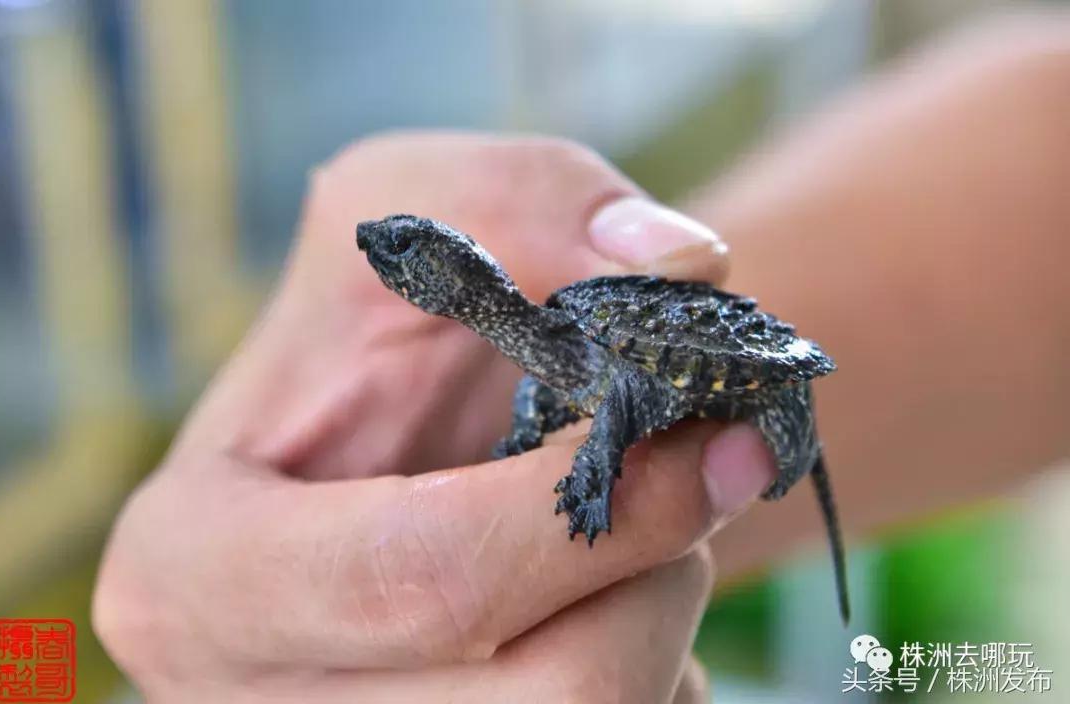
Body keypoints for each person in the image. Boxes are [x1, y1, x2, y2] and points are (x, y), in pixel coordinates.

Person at [93, 14, 1070, 703]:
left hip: (732, 356)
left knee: (769, 435)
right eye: (398, 256)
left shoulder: (564, 335)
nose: (386, 257)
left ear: (452, 279)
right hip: (655, 345)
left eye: (405, 253)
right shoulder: (541, 343)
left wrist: (592, 478)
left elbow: (624, 395)